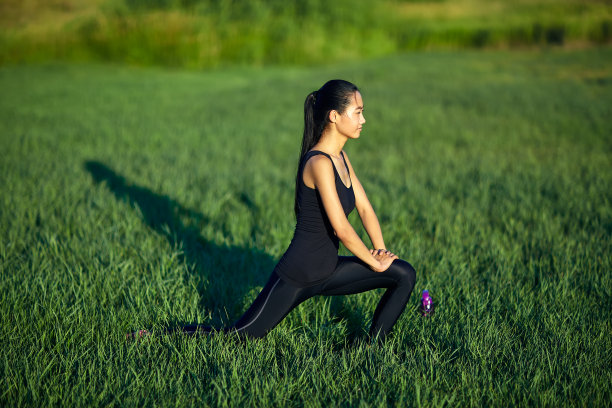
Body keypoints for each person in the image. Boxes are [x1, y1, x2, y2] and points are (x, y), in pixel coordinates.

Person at [128, 79, 416, 341]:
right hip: (299, 273)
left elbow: (365, 209)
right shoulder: (318, 163)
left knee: (403, 273)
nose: (363, 119)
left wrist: (381, 252)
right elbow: (341, 228)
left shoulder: (341, 157)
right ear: (334, 116)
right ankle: (154, 335)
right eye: (358, 112)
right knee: (240, 335)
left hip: (327, 270)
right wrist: (372, 260)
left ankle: (372, 348)